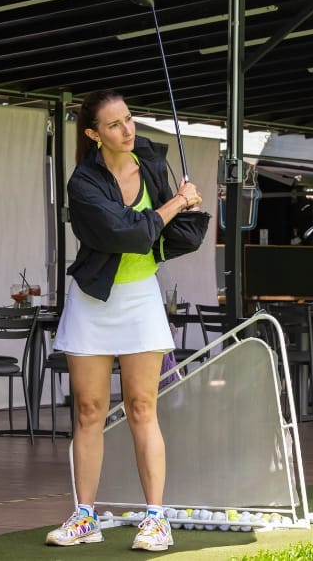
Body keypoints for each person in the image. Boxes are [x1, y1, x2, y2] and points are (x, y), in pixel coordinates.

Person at [45, 89, 202, 551]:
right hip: (93, 300)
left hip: (140, 298)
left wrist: (184, 203)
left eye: (129, 119)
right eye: (114, 125)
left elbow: (174, 234)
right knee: (90, 411)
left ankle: (156, 518)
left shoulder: (152, 161)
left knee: (141, 408)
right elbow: (129, 234)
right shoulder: (83, 182)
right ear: (94, 134)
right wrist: (178, 202)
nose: (127, 129)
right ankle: (84, 516)